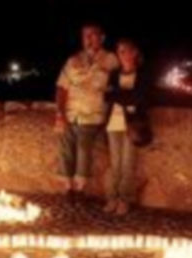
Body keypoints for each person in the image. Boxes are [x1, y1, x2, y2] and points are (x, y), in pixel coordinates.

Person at [55, 22, 119, 194]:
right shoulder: (73, 60)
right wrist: (60, 113)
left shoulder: (111, 59)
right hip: (70, 112)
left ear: (102, 37)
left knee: (84, 148)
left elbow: (119, 85)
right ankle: (67, 185)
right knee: (65, 148)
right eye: (85, 35)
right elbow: (62, 87)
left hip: (93, 113)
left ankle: (80, 186)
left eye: (93, 35)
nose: (89, 39)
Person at [103, 38, 150, 216]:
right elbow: (106, 97)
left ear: (134, 52)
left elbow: (139, 98)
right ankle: (112, 198)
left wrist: (117, 95)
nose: (121, 54)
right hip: (113, 123)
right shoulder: (114, 74)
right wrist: (124, 96)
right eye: (119, 51)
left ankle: (125, 199)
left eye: (125, 50)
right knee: (115, 164)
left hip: (133, 125)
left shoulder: (143, 74)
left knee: (128, 164)